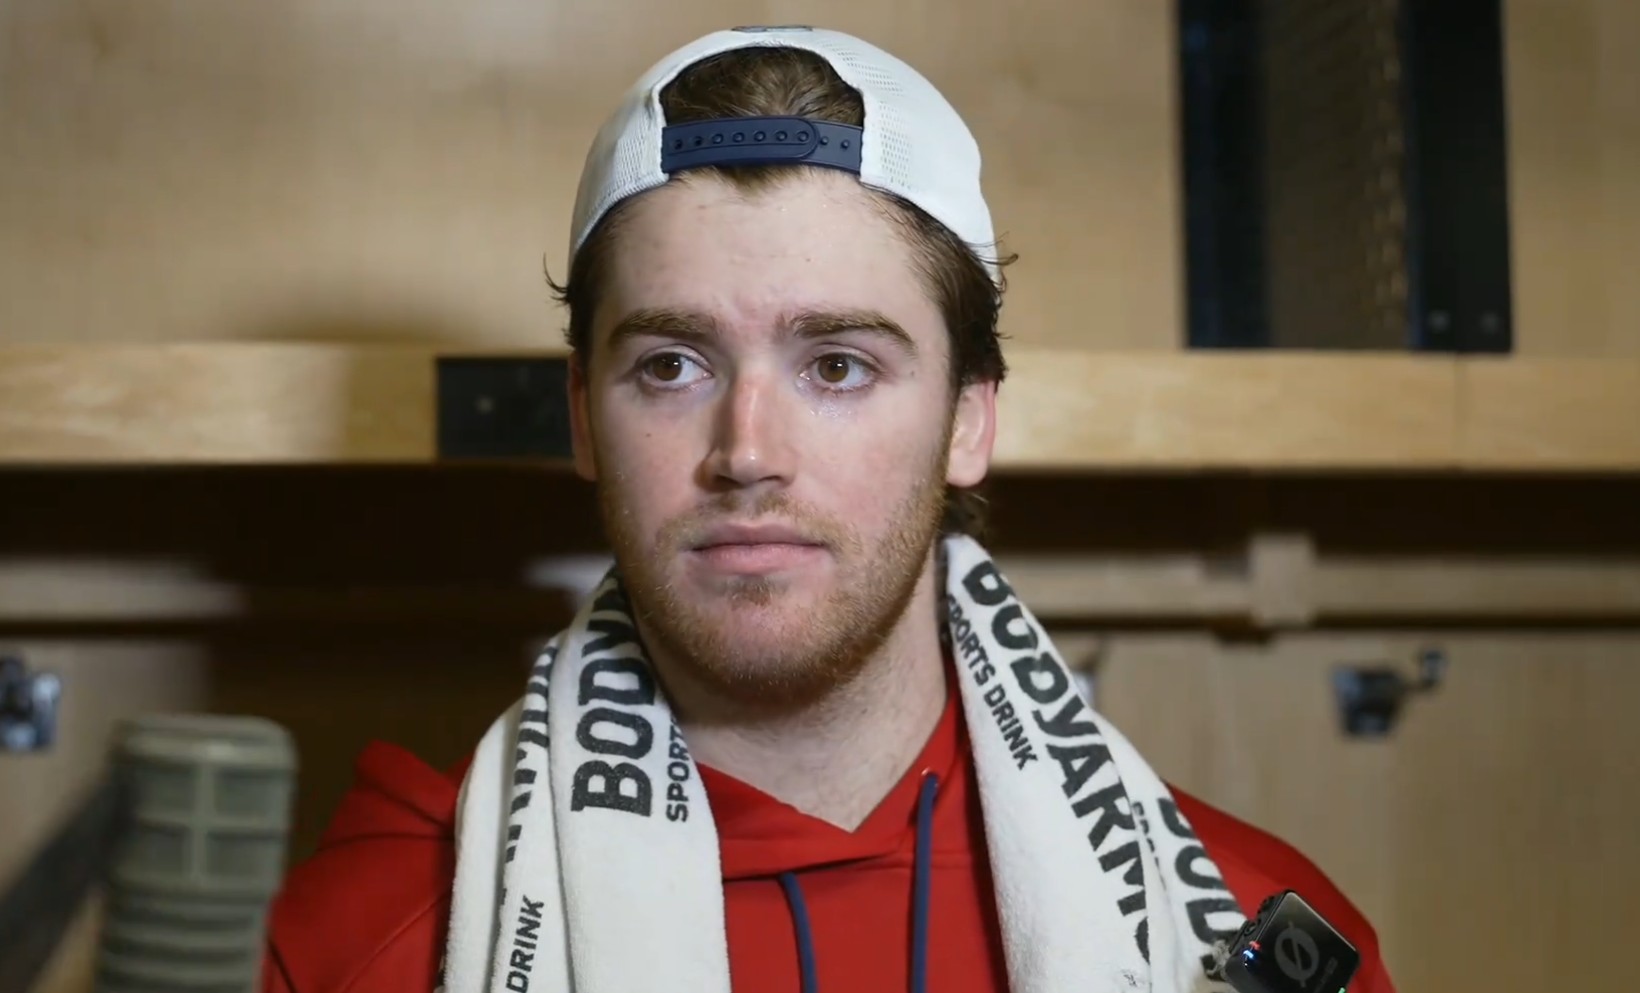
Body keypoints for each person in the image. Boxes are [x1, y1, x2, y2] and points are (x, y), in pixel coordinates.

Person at [263, 26, 1396, 993]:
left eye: (839, 366)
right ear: (583, 420)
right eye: (671, 366)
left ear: (969, 419)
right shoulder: (368, 941)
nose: (747, 454)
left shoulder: (1239, 937)